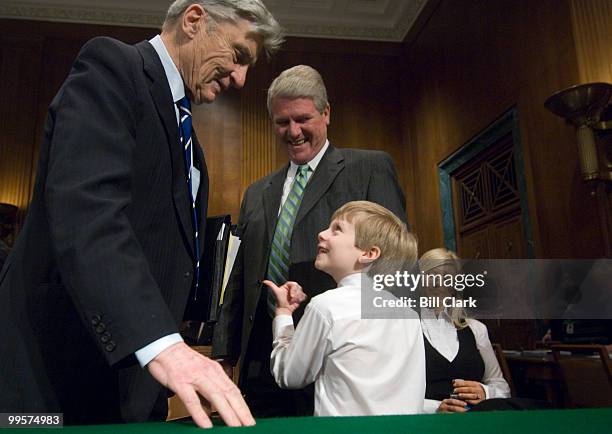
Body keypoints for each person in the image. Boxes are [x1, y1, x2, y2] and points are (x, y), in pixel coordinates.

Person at [0, 0, 282, 428]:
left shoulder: (195, 154)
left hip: (134, 386)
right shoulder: (113, 66)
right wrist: (159, 343)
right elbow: (88, 213)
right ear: (194, 20)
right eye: (239, 55)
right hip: (53, 378)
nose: (241, 78)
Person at [212, 65, 408, 417]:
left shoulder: (369, 168)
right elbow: (239, 277)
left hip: (341, 356)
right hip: (262, 354)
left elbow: (397, 264)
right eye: (282, 122)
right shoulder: (257, 193)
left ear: (327, 113)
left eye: (303, 119)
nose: (293, 132)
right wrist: (225, 353)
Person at [265, 200, 425, 416]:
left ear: (368, 253)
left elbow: (289, 375)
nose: (321, 233)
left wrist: (283, 315)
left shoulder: (327, 307)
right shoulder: (410, 315)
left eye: (337, 229)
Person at [418, 248, 511, 413]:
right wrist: (434, 409)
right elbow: (394, 394)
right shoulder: (405, 329)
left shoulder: (477, 329)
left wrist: (486, 392)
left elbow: (501, 387)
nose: (439, 281)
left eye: (447, 276)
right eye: (431, 274)